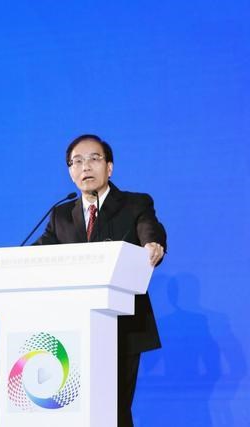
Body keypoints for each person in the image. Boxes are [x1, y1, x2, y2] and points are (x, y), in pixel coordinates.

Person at [35, 134, 167, 427]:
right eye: (77, 161)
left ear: (109, 167)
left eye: (94, 159)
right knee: (78, 413)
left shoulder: (134, 203)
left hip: (123, 325)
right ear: (70, 171)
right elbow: (39, 253)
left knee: (114, 411)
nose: (86, 166)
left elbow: (149, 228)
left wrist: (152, 243)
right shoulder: (61, 215)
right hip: (72, 330)